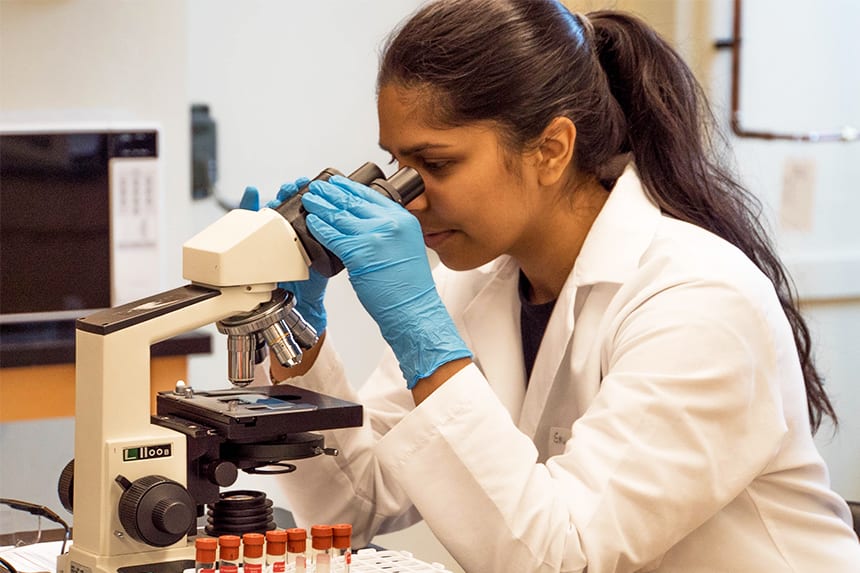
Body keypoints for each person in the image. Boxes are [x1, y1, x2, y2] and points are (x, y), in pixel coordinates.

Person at [241, 0, 860, 570]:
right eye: (400, 165)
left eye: (437, 164)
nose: (410, 199)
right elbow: (356, 506)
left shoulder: (699, 301)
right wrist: (296, 336)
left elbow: (563, 557)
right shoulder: (478, 284)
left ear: (551, 149)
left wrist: (422, 336)